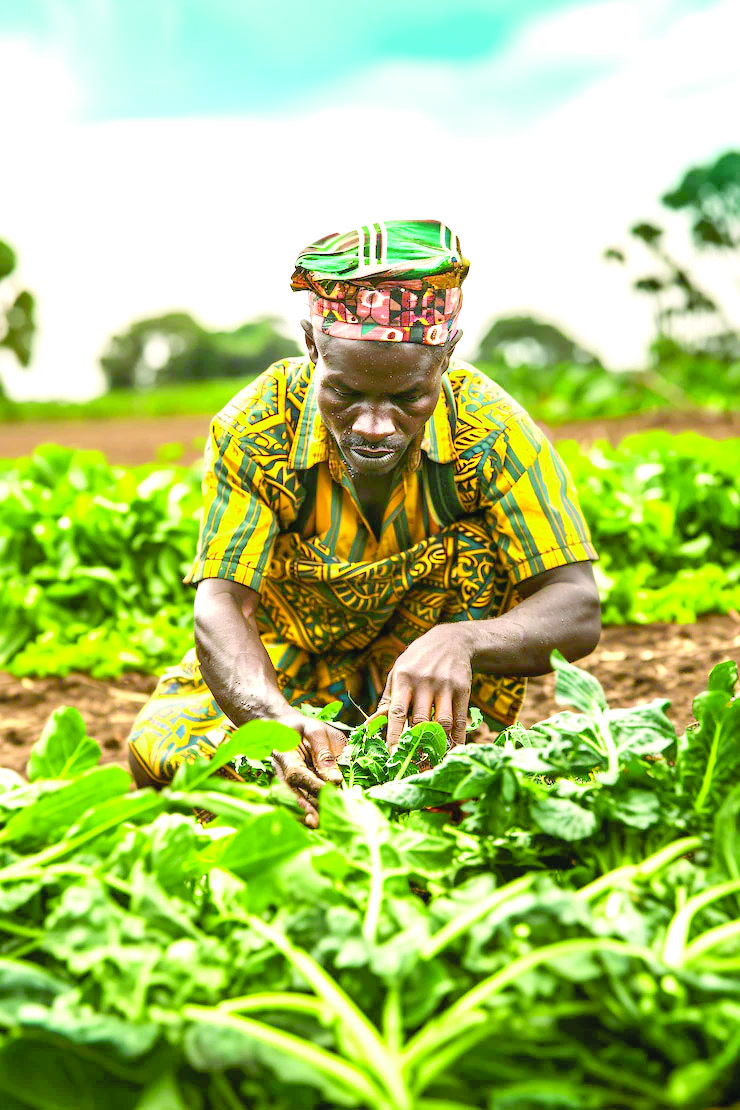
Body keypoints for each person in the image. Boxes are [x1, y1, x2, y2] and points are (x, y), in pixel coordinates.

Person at [127, 219, 600, 824]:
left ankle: (442, 759)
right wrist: (270, 720)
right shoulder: (255, 427)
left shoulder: (494, 432)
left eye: (407, 398)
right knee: (162, 751)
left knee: (435, 795)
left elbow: (575, 603)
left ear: (446, 357)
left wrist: (462, 641)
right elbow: (222, 603)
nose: (373, 425)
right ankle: (307, 760)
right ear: (311, 345)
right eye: (345, 393)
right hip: (289, 669)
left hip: (427, 699)